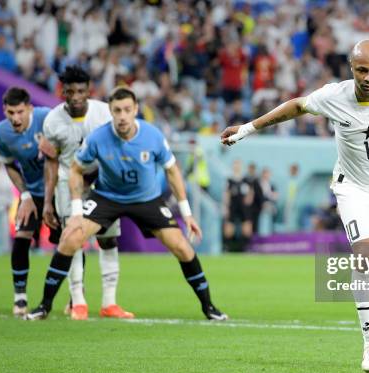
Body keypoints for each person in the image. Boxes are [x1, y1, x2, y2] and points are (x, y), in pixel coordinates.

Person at [220, 39, 369, 372]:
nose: (368, 77)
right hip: (354, 189)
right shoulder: (334, 96)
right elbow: (296, 106)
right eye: (362, 70)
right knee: (364, 254)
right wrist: (248, 128)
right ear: (352, 69)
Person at [26, 87, 227, 321]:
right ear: (110, 111)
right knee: (70, 238)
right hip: (107, 197)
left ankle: (209, 307)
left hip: (146, 199)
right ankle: (44, 305)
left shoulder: (152, 136)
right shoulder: (98, 137)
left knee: (182, 247)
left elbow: (172, 170)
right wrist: (78, 212)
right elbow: (76, 169)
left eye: (127, 110)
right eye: (117, 110)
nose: (122, 116)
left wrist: (187, 214)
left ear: (135, 111)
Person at [40, 65, 133, 320]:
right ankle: (78, 302)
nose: (76, 96)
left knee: (108, 239)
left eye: (81, 91)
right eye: (70, 91)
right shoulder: (52, 121)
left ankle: (109, 303)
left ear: (88, 90)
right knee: (73, 238)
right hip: (68, 184)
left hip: (103, 184)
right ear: (63, 92)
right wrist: (47, 202)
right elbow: (51, 162)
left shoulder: (104, 113)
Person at [0, 87, 54, 316]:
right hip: (32, 195)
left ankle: (74, 297)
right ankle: (20, 297)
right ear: (4, 111)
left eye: (20, 112)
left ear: (30, 108)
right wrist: (25, 195)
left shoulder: (47, 117)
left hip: (57, 189)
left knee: (69, 242)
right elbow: (9, 165)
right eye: (11, 113)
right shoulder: (1, 133)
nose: (16, 118)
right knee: (21, 238)